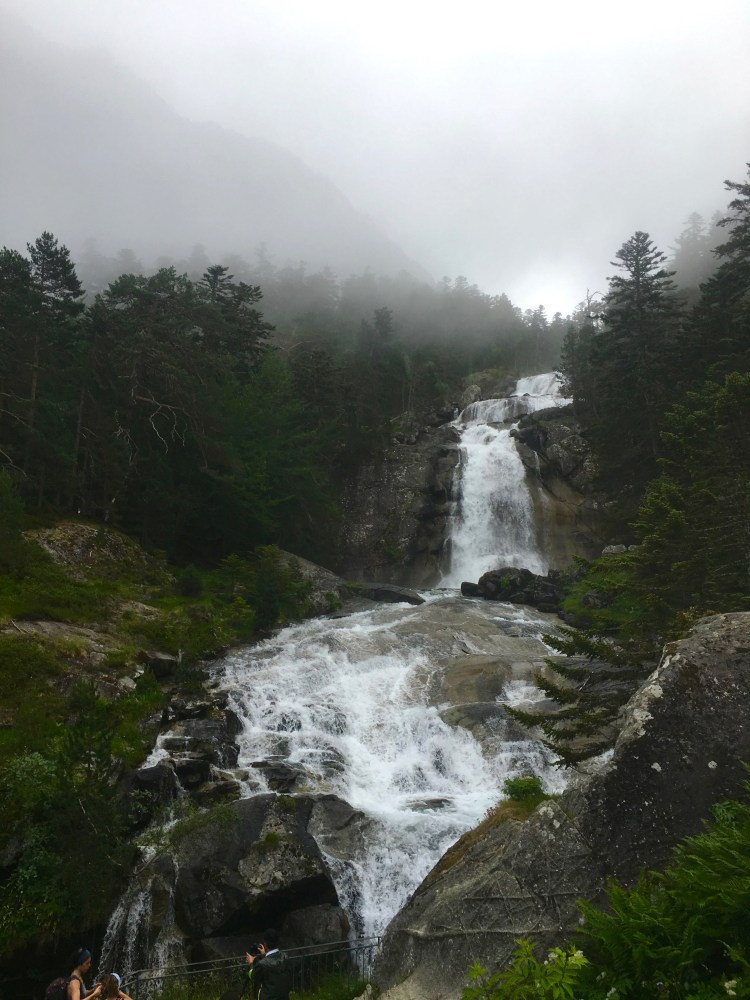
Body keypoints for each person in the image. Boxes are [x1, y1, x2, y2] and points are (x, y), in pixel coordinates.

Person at [245, 930, 290, 1000]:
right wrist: (264, 955)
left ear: (265, 943)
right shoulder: (285, 957)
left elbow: (254, 976)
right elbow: (273, 962)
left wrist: (251, 964)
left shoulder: (262, 964)